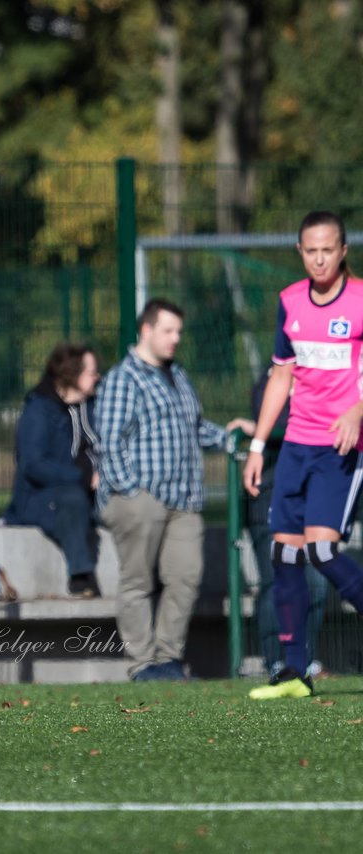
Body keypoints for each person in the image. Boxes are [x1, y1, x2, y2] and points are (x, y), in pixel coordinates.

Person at [96, 298, 253, 682]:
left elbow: (193, 427)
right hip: (140, 498)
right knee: (138, 581)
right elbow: (109, 442)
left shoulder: (177, 374)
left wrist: (232, 438)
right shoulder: (124, 378)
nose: (175, 338)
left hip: (184, 499)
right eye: (168, 330)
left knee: (186, 577)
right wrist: (132, 492)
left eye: (179, 331)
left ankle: (168, 659)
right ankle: (142, 663)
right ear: (146, 330)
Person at [244, 210, 363, 700]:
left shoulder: (359, 301)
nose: (319, 258)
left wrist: (357, 410)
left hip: (341, 446)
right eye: (310, 250)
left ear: (343, 251)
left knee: (322, 549)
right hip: (296, 444)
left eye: (327, 250)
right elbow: (281, 375)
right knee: (285, 554)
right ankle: (295, 674)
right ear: (300, 251)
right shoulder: (290, 301)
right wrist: (256, 445)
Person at [245, 366, 328, 682]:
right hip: (273, 493)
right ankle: (276, 662)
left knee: (317, 583)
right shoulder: (272, 378)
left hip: (315, 495)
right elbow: (277, 425)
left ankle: (302, 659)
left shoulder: (324, 377)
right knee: (277, 579)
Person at [2, 342, 103, 597]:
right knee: (72, 500)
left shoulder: (92, 406)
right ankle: (81, 573)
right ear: (73, 375)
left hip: (95, 488)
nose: (97, 377)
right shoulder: (39, 409)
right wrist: (82, 478)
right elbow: (33, 464)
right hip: (44, 497)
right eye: (92, 372)